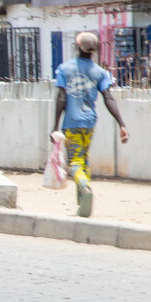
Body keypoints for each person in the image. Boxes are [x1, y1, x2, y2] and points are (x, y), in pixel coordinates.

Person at [52, 32, 128, 218]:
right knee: (84, 160)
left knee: (75, 163)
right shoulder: (100, 72)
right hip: (89, 122)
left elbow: (61, 98)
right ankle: (81, 205)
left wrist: (55, 126)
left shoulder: (65, 69)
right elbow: (108, 98)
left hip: (71, 123)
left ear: (78, 47)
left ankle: (84, 188)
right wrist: (121, 124)